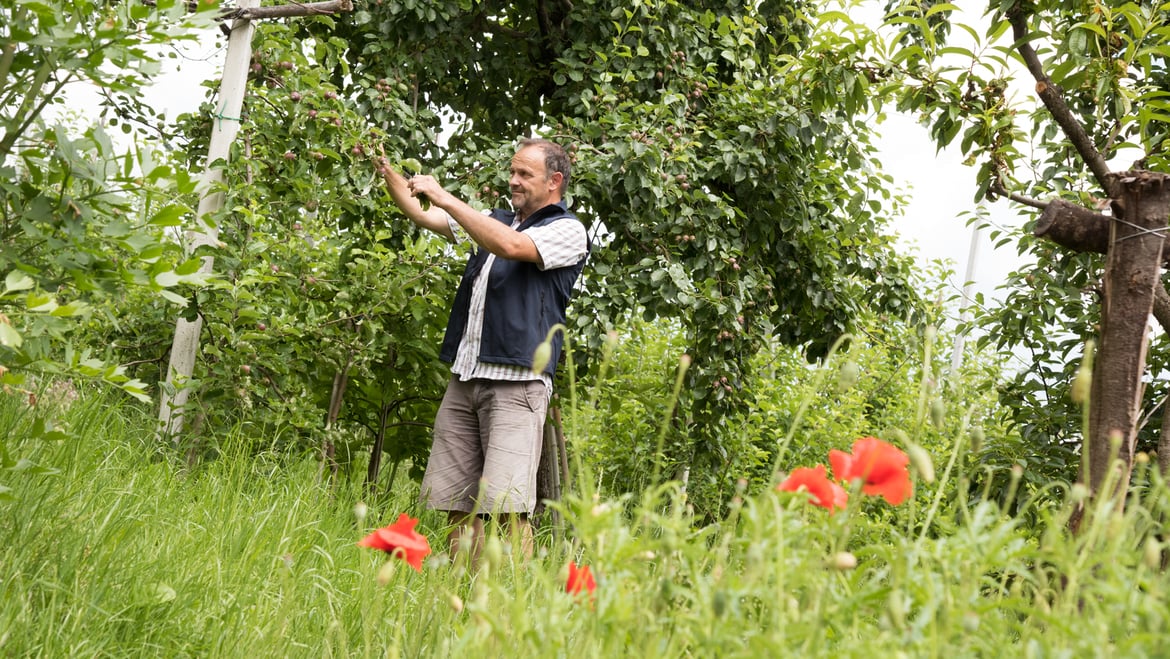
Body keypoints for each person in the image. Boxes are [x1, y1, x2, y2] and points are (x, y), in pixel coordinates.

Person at [375, 138, 589, 562]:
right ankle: (461, 599)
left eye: (524, 174)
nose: (513, 181)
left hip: (518, 384)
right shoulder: (495, 219)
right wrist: (388, 174)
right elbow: (423, 213)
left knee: (508, 509)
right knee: (456, 502)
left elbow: (510, 247)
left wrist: (446, 197)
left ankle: (514, 610)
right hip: (466, 379)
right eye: (512, 172)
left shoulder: (567, 229)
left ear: (555, 181)